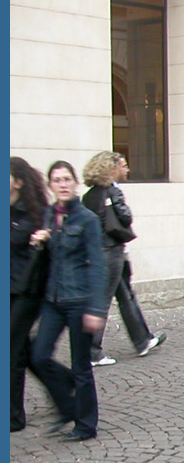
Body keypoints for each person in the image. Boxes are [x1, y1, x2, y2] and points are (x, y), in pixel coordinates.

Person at [29, 161, 107, 442]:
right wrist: (39, 241)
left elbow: (98, 265)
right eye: (56, 180)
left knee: (81, 365)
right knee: (38, 355)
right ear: (50, 185)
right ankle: (67, 397)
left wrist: (96, 309)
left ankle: (86, 425)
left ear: (75, 183)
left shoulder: (86, 219)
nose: (62, 184)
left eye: (66, 179)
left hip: (79, 300)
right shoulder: (49, 215)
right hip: (53, 299)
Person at [81, 151, 166, 366]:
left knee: (125, 295)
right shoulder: (112, 191)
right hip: (111, 251)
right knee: (103, 300)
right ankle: (92, 352)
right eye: (123, 166)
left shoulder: (89, 195)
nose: (127, 170)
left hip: (99, 251)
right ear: (111, 169)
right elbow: (125, 217)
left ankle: (143, 340)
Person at [10, 157, 50, 432]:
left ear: (18, 181)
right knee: (24, 351)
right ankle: (63, 385)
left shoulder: (30, 214)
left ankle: (14, 417)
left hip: (24, 292)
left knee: (12, 352)